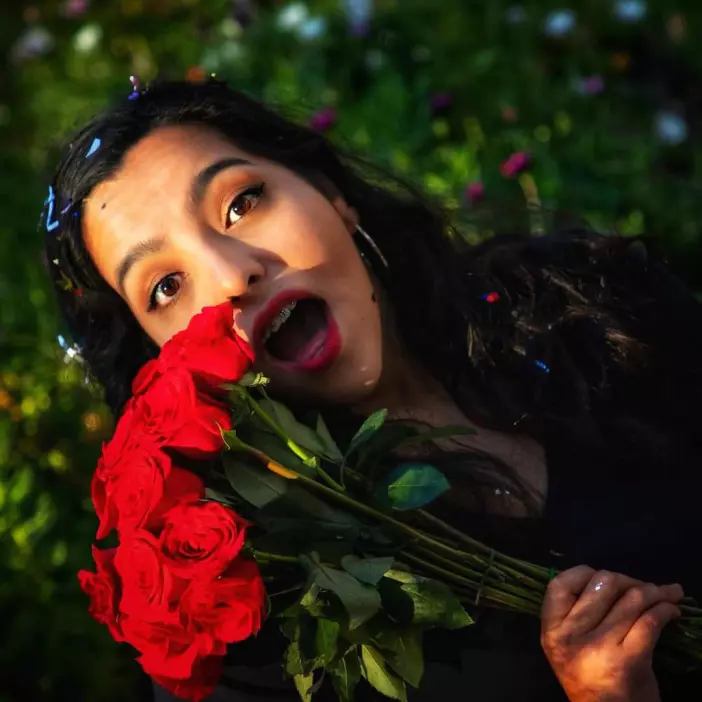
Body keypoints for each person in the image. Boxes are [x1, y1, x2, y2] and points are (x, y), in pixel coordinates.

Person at [43, 79, 702, 702]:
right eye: (165, 286)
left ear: (331, 194)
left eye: (241, 204)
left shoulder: (586, 303)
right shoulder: (245, 617)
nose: (231, 276)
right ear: (156, 363)